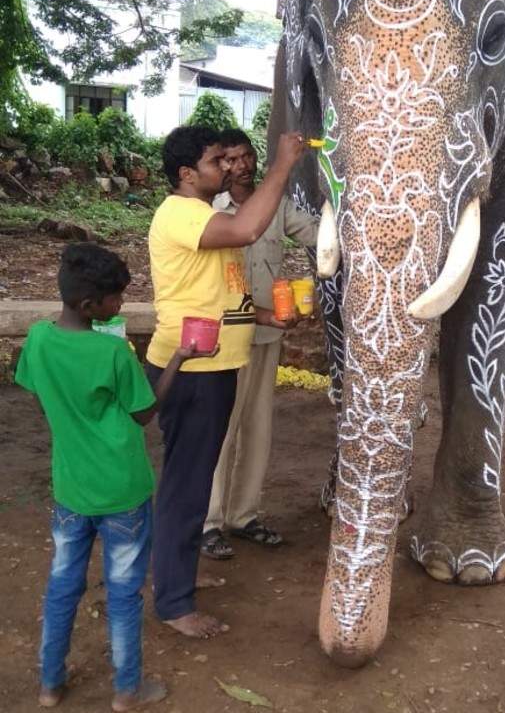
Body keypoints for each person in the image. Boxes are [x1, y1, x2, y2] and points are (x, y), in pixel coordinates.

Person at [14, 243, 211, 711]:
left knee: (62, 587)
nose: (120, 304)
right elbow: (145, 413)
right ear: (89, 306)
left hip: (71, 490)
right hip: (123, 490)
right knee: (124, 594)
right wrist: (179, 359)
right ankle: (126, 690)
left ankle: (50, 684)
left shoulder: (38, 341)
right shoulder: (113, 353)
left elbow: (42, 399)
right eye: (116, 298)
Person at [146, 124, 305, 640]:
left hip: (215, 367)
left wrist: (265, 316)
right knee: (185, 488)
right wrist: (282, 164)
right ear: (188, 174)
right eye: (218, 161)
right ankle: (173, 603)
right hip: (192, 372)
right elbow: (246, 232)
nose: (229, 168)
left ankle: (180, 575)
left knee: (192, 480)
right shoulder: (182, 214)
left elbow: (221, 296)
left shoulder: (205, 214)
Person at [201, 130, 319, 558]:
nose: (242, 165)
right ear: (218, 165)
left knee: (257, 428)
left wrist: (353, 213)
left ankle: (243, 516)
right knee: (223, 429)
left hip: (268, 335)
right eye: (231, 159)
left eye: (248, 156)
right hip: (226, 338)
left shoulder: (276, 205)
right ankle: (209, 522)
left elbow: (315, 235)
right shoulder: (209, 212)